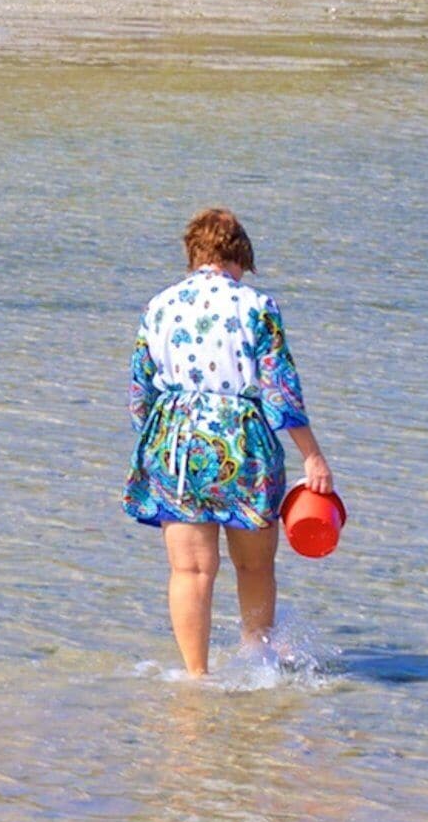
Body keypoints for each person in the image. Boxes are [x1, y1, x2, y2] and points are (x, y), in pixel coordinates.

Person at [128, 207, 337, 677]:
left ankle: (194, 678)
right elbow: (280, 392)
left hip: (176, 441)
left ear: (194, 253)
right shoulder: (257, 306)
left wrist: (158, 448)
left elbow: (140, 393)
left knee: (190, 572)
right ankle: (257, 662)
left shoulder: (159, 306)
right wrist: (313, 456)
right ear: (239, 255)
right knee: (254, 567)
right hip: (243, 442)